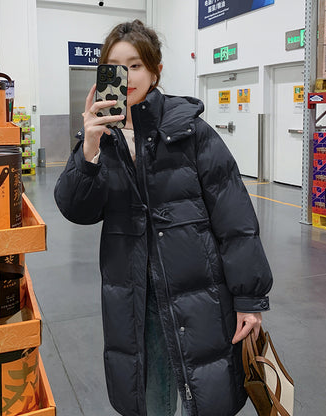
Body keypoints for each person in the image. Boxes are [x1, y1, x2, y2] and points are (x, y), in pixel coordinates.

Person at [54, 19, 273, 416]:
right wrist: (88, 147)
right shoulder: (101, 138)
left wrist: (249, 298)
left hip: (199, 295)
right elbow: (76, 210)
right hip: (136, 300)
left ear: (155, 71)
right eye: (116, 67)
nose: (127, 76)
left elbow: (235, 220)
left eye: (136, 65)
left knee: (204, 397)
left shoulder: (190, 131)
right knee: (151, 400)